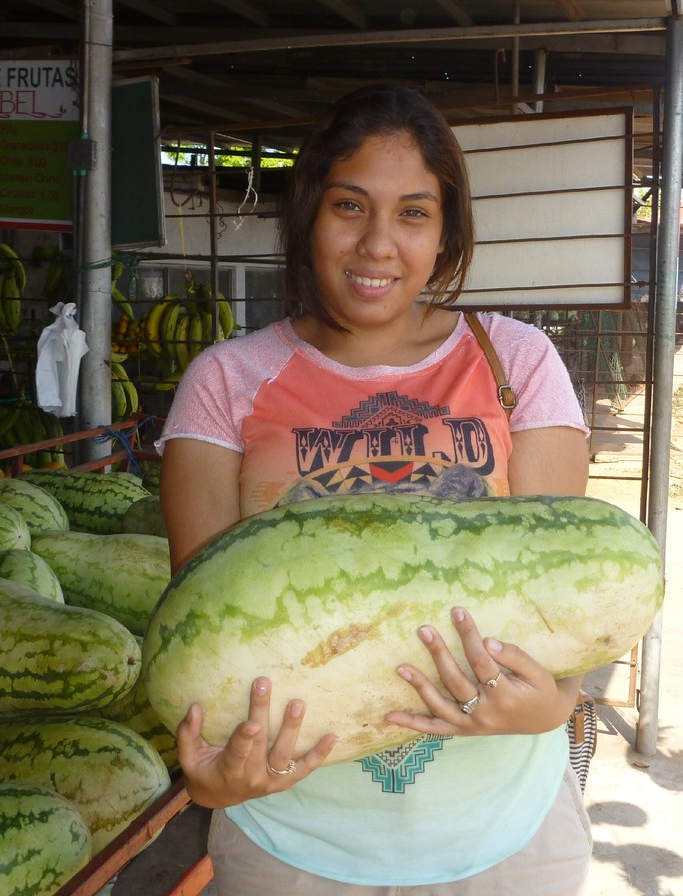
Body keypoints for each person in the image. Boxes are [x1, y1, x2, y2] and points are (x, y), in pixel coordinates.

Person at [156, 83, 592, 895]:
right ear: (308, 215)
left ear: (446, 232)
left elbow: (564, 608)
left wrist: (551, 705)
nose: (378, 245)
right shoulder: (226, 381)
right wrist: (215, 784)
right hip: (290, 849)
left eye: (414, 213)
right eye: (350, 206)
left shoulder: (518, 363)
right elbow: (202, 652)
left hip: (506, 841)